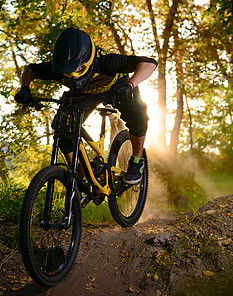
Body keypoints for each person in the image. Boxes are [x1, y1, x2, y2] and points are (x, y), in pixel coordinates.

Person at [14, 28, 157, 185]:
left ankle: (137, 161)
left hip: (117, 87)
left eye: (79, 69)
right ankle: (79, 176)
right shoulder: (58, 67)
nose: (74, 75)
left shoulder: (106, 62)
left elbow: (149, 63)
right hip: (85, 94)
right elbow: (31, 70)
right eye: (69, 72)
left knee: (137, 115)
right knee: (64, 130)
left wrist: (130, 84)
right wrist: (25, 89)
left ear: (88, 60)